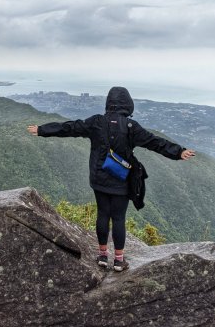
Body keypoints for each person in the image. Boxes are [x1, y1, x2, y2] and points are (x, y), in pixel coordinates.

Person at [28, 86, 195, 272]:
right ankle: (118, 260)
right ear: (128, 104)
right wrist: (179, 152)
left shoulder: (97, 122)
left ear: (109, 103)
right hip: (121, 180)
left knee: (102, 214)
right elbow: (155, 142)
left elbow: (71, 127)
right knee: (118, 218)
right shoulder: (132, 127)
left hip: (99, 178)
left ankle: (102, 255)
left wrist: (43, 130)